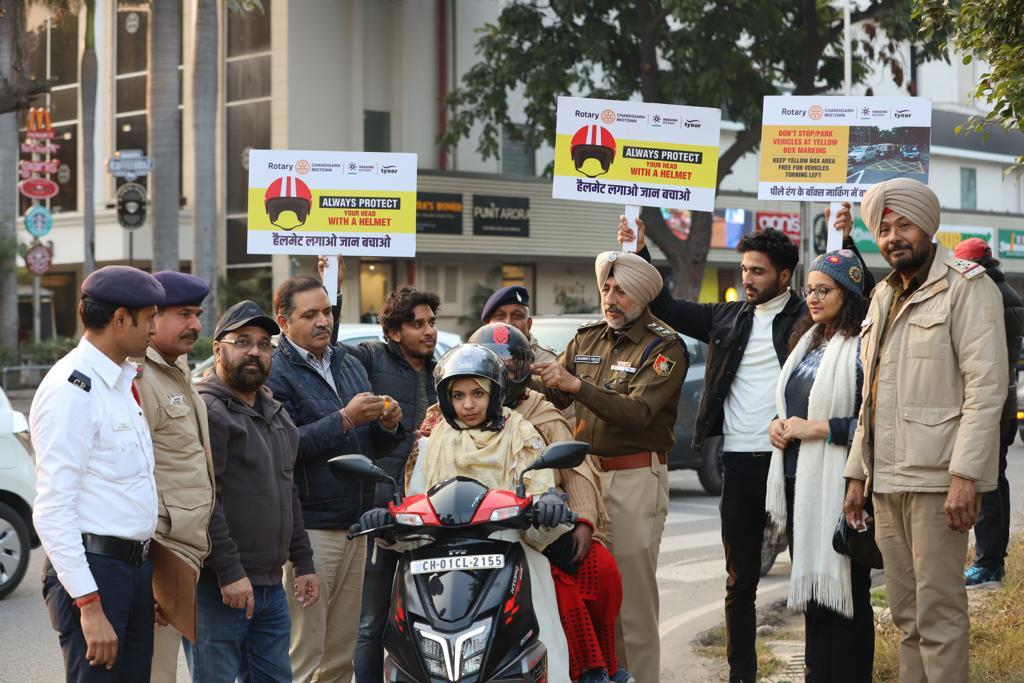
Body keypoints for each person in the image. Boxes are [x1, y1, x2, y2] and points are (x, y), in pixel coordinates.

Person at [617, 217, 873, 683]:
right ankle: (741, 675)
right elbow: (665, 305)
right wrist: (638, 252)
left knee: (813, 571)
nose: (747, 279)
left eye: (757, 271)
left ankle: (824, 668)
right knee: (740, 582)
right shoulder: (725, 317)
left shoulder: (807, 317)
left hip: (795, 464)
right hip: (738, 462)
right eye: (744, 269)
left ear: (783, 275)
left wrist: (844, 242)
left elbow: (854, 295)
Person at [843, 178, 1007, 683]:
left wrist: (966, 476)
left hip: (938, 482)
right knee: (906, 618)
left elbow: (987, 389)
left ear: (928, 227)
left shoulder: (967, 287)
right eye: (885, 228)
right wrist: (856, 475)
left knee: (939, 617)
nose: (893, 237)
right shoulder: (881, 297)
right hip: (887, 483)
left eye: (904, 225)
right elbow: (869, 396)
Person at [531, 251, 687, 683]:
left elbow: (639, 412)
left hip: (635, 477)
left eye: (621, 291)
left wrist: (577, 384)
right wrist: (526, 373)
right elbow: (557, 397)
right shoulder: (587, 338)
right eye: (606, 288)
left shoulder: (664, 346)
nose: (610, 298)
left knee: (633, 607)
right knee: (592, 598)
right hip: (585, 478)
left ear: (641, 296)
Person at [388, 343, 575, 682]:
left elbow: (539, 493)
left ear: (495, 393)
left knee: (540, 644)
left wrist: (546, 506)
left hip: (510, 556)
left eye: (478, 393)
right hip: (440, 570)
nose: (468, 404)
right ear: (446, 398)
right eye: (458, 395)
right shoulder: (432, 440)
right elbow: (415, 503)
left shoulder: (520, 434)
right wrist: (391, 521)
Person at [470, 322, 630, 683]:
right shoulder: (446, 413)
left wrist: (585, 522)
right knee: (553, 580)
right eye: (495, 365)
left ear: (526, 367)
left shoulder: (537, 409)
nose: (504, 374)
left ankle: (603, 663)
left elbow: (576, 472)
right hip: (474, 533)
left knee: (601, 568)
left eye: (512, 365)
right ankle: (582, 667)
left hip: (538, 523)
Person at [265, 276, 404, 683]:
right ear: (283, 322)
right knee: (305, 654)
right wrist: (344, 418)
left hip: (356, 524)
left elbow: (369, 447)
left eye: (326, 311)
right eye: (309, 314)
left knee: (342, 655)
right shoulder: (275, 373)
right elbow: (286, 446)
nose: (323, 321)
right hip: (310, 529)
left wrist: (388, 425)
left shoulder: (348, 361)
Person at [31, 266, 165, 682]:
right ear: (120, 318)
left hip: (130, 570)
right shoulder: (71, 391)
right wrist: (88, 603)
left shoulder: (119, 382)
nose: (154, 329)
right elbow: (53, 507)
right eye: (150, 318)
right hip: (96, 572)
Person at [318, 254, 443, 683]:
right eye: (417, 324)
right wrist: (331, 290)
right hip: (381, 510)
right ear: (393, 332)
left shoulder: (443, 369)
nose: (428, 331)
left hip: (435, 509)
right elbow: (328, 350)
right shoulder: (370, 358)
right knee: (370, 621)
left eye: (431, 322)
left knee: (431, 614)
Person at [189, 300, 320, 682]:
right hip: (219, 588)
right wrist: (229, 571)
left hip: (269, 588)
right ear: (217, 349)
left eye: (264, 344)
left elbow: (287, 490)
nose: (254, 352)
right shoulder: (209, 412)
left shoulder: (276, 413)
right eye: (242, 341)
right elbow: (203, 500)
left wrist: (303, 562)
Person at [764, 249, 873, 682]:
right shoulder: (807, 340)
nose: (812, 298)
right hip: (798, 483)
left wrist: (819, 429)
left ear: (847, 292)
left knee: (848, 596)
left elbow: (872, 419)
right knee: (815, 597)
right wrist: (776, 425)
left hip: (842, 483)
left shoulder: (862, 344)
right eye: (809, 290)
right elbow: (790, 405)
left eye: (823, 290)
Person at [135, 272, 216, 682]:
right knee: (156, 673)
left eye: (198, 314)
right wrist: (145, 573)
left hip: (185, 551)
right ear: (152, 318)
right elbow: (134, 476)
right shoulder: (138, 377)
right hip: (157, 554)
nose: (196, 325)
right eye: (184, 314)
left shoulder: (176, 367)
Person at [953, 237, 1024, 588]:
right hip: (1004, 404)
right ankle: (992, 559)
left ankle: (989, 562)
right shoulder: (1005, 292)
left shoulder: (991, 296)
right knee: (996, 478)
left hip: (992, 406)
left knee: (987, 482)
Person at [480, 284, 559, 364]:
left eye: (517, 316)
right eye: (500, 316)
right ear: (487, 325)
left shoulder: (549, 362)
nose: (508, 322)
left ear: (529, 324)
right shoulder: (477, 358)